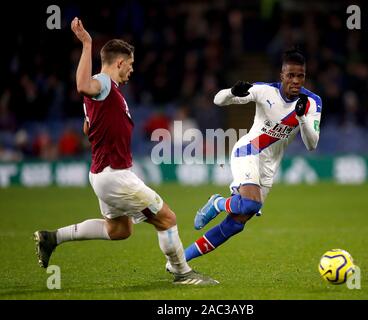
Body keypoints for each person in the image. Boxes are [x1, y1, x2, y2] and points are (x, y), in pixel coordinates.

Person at [34, 17, 218, 286]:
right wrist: (87, 44)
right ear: (119, 63)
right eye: (130, 65)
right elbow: (83, 86)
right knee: (167, 218)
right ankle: (182, 273)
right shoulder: (104, 84)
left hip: (101, 174)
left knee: (119, 230)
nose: (131, 70)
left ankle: (52, 237)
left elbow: (88, 129)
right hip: (115, 175)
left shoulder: (108, 95)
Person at [170, 49, 322, 267]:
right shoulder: (264, 91)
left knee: (237, 223)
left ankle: (180, 261)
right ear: (282, 75)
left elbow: (312, 144)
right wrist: (232, 91)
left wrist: (302, 118)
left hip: (269, 167)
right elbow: (218, 100)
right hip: (248, 150)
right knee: (250, 203)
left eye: (300, 76)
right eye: (290, 75)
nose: (295, 81)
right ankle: (218, 203)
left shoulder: (312, 102)